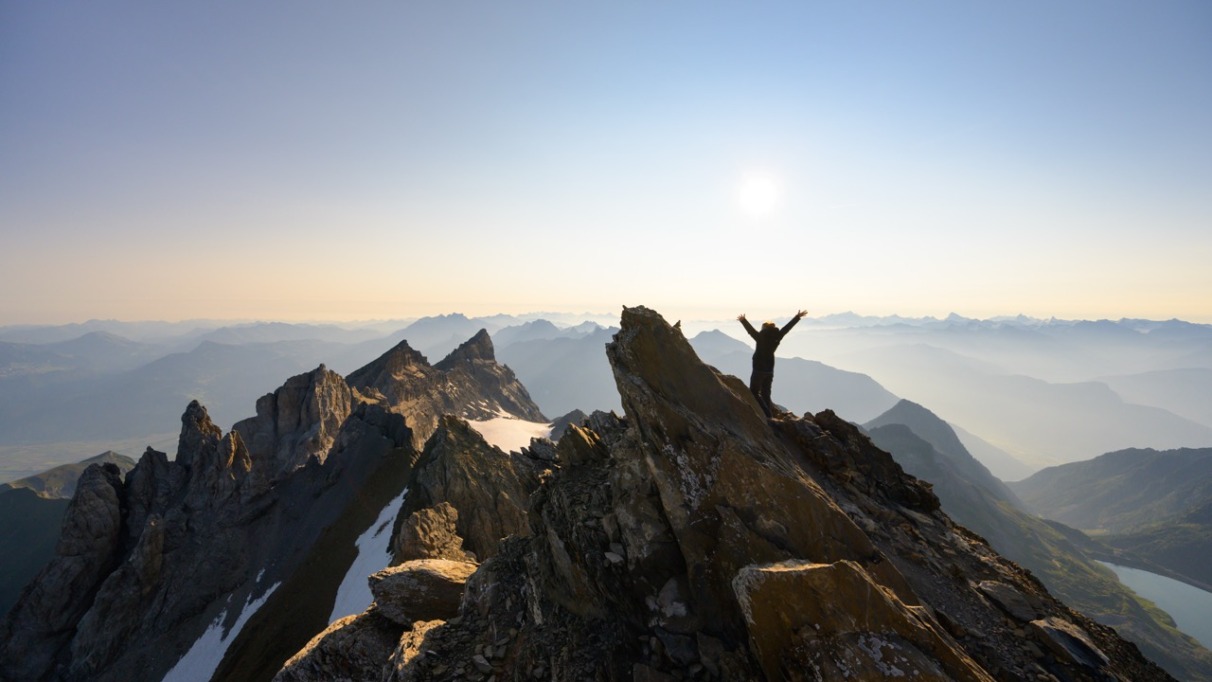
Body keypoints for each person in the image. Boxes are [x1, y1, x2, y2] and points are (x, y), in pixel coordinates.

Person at [737, 310, 807, 418]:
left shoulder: (761, 337)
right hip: (769, 369)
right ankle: (769, 416)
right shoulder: (777, 335)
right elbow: (787, 328)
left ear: (764, 328)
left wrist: (743, 321)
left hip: (758, 369)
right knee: (766, 393)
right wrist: (797, 317)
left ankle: (766, 414)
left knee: (754, 392)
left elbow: (751, 331)